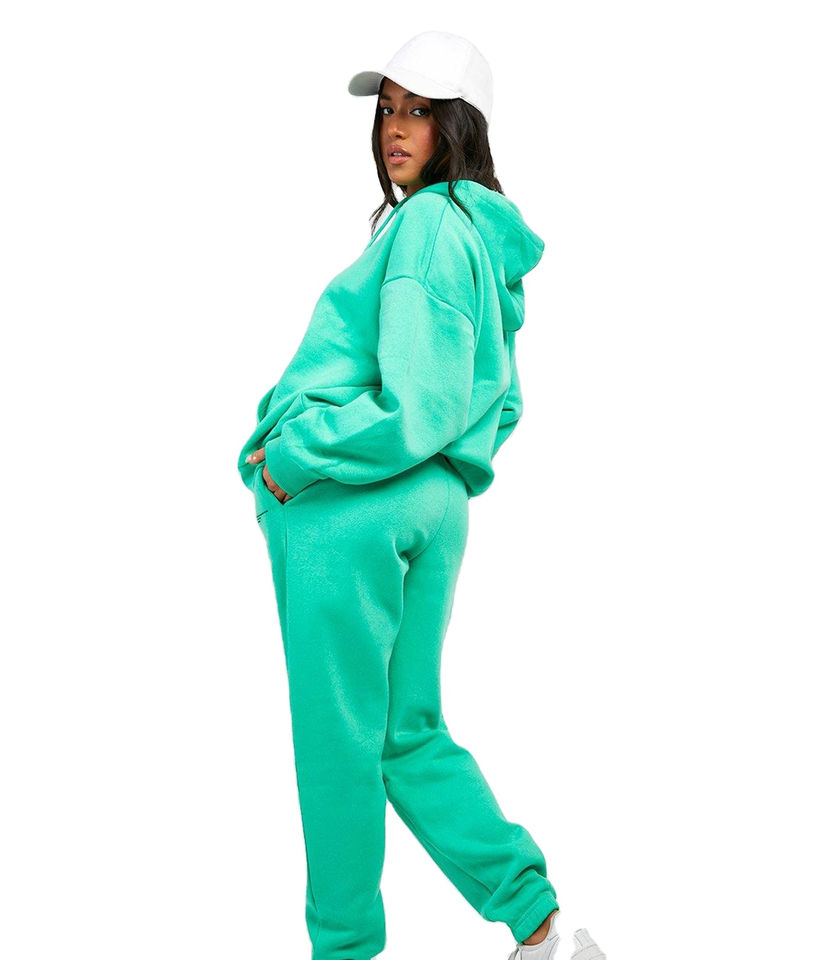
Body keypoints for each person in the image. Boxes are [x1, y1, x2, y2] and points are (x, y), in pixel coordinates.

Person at [237, 31, 606, 960]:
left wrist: (293, 456)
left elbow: (412, 405)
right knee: (406, 735)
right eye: (388, 110)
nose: (395, 129)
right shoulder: (482, 241)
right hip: (432, 504)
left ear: (459, 127)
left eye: (419, 112)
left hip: (349, 504)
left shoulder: (425, 228)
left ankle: (344, 951)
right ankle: (542, 930)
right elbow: (501, 402)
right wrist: (441, 473)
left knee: (338, 745)